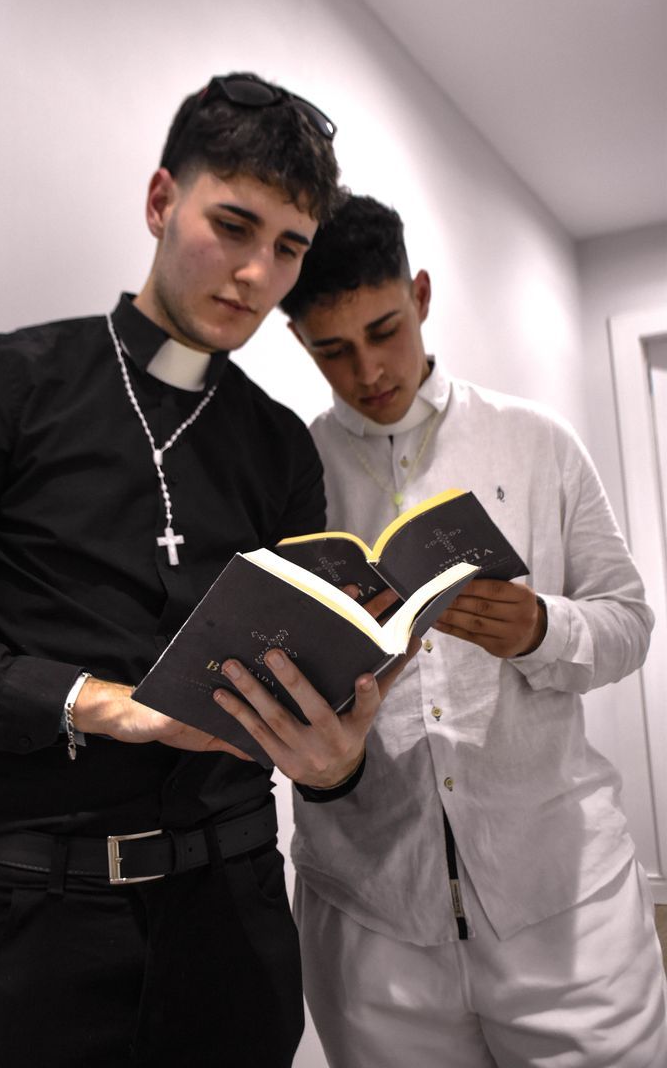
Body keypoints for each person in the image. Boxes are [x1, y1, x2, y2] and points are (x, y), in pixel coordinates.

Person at [0, 77, 403, 1068]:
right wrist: (100, 704)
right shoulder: (9, 382)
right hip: (28, 916)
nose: (255, 274)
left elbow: (295, 682)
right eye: (233, 226)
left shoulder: (279, 447)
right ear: (160, 201)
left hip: (231, 910)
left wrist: (334, 764)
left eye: (287, 248)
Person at [280, 193, 667, 1068]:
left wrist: (541, 627)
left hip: (560, 899)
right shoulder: (290, 474)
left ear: (419, 294)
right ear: (297, 339)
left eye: (384, 330)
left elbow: (630, 622)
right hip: (371, 916)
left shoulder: (539, 442)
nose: (369, 369)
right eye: (331, 350)